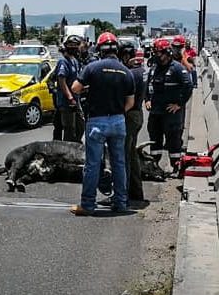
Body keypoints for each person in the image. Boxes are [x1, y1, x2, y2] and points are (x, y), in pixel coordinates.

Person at [70, 32, 135, 215]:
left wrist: (91, 88)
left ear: (99, 49)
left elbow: (76, 88)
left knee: (92, 164)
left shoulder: (92, 67)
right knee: (119, 164)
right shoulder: (126, 72)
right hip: (118, 121)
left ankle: (88, 205)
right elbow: (130, 102)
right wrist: (118, 113)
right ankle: (121, 203)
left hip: (97, 121)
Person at [145, 38, 193, 171]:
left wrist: (179, 104)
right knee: (155, 140)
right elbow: (148, 85)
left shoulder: (177, 68)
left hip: (171, 114)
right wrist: (147, 99)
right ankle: (154, 165)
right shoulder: (154, 69)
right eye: (155, 53)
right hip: (156, 112)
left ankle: (175, 166)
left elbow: (188, 86)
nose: (157, 56)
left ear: (167, 53)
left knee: (173, 141)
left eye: (159, 53)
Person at [118, 39, 146, 203]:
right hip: (137, 114)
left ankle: (125, 193)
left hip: (130, 115)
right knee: (132, 154)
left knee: (124, 156)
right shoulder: (141, 70)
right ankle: (136, 192)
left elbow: (126, 99)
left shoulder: (130, 73)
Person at [55, 35, 85, 143]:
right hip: (67, 102)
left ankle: (76, 145)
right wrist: (70, 97)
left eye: (75, 46)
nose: (73, 48)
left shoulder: (75, 61)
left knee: (81, 126)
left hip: (76, 100)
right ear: (66, 46)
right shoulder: (63, 62)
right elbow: (61, 81)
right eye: (71, 45)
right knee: (69, 129)